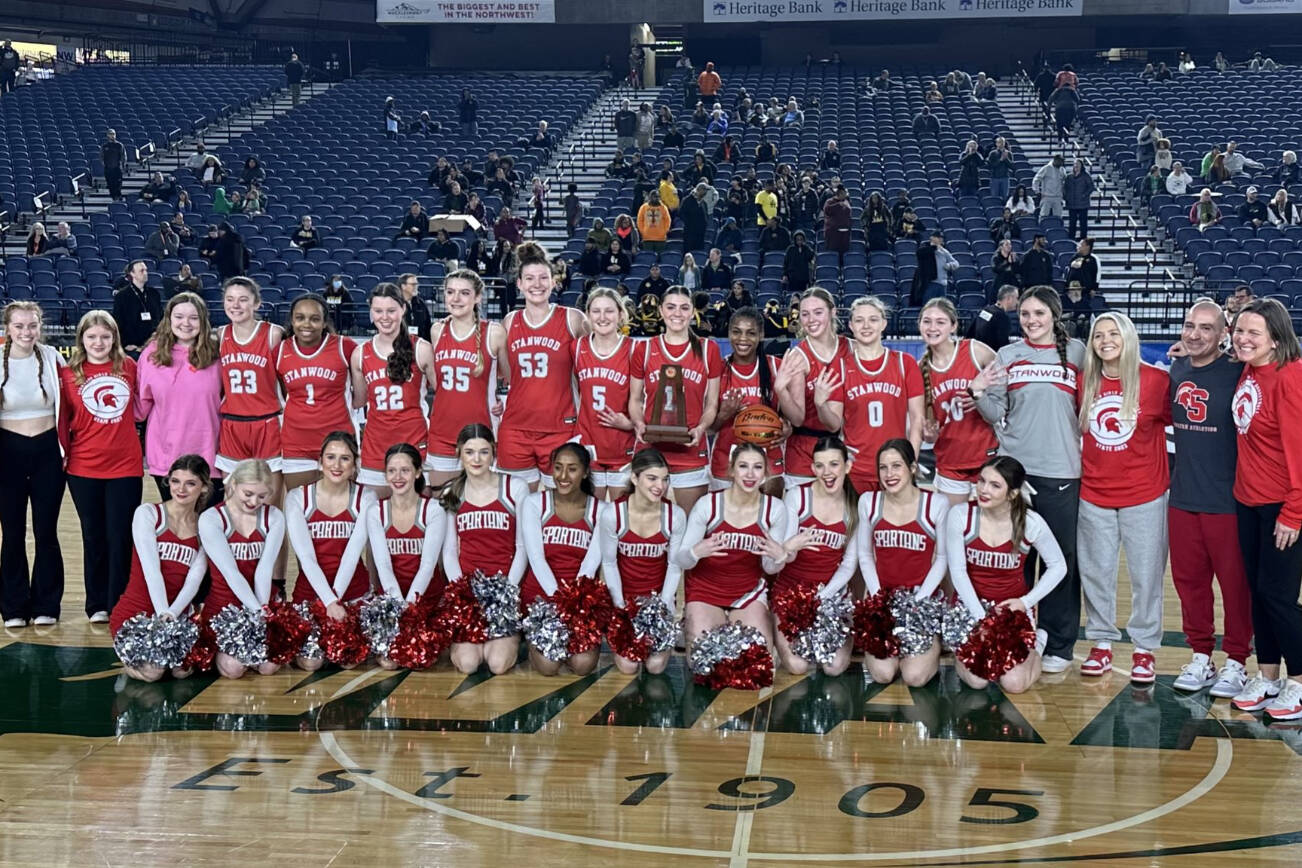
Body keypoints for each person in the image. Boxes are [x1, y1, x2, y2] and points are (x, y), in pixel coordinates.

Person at [970, 286, 1086, 673]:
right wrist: (978, 391)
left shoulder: (1077, 353)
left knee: (1062, 560)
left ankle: (1060, 642)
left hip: (1062, 471)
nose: (1031, 321)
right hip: (1015, 472)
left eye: (1039, 314)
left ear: (1055, 315)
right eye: (1025, 315)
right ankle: (1019, 630)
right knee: (1017, 559)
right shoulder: (1008, 355)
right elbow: (993, 412)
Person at [1073, 312, 1172, 683]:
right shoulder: (1084, 381)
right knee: (1096, 574)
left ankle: (1144, 649)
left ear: (1128, 337)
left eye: (1113, 333)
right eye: (1098, 335)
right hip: (1094, 494)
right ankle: (1100, 644)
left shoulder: (1157, 381)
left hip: (1145, 494)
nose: (1105, 341)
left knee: (1147, 576)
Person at [1168, 299, 1252, 697]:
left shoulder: (1239, 374)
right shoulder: (1177, 367)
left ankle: (1237, 660)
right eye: (1190, 326)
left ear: (1224, 335)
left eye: (1206, 328)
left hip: (1228, 501)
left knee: (1235, 586)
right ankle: (1201, 655)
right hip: (1183, 497)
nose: (1195, 334)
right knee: (1189, 584)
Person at [1222, 299, 1302, 718]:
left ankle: (1300, 683)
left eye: (1254, 332)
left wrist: (1294, 511)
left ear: (1276, 338)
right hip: (1247, 500)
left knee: (1279, 596)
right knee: (1260, 594)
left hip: (1281, 505)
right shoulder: (1250, 369)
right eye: (1239, 330)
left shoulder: (1291, 377)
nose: (1243, 338)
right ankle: (1268, 676)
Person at [946, 457, 1065, 693]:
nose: (983, 490)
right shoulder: (961, 516)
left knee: (1015, 684)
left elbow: (1058, 566)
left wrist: (1025, 602)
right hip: (972, 608)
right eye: (981, 481)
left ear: (1012, 494)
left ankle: (1037, 644)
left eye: (994, 485)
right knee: (978, 681)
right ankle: (960, 652)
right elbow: (958, 573)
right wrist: (983, 619)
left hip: (1012, 611)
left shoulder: (1030, 522)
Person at [61, 311, 144, 622]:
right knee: (93, 535)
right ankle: (96, 604)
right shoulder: (68, 373)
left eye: (105, 337)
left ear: (114, 339)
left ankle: (119, 601)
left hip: (125, 466)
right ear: (82, 338)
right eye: (92, 336)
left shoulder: (130, 367)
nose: (99, 343)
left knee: (121, 535)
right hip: (83, 468)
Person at [676, 442, 787, 651]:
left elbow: (770, 568)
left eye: (757, 467)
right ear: (732, 470)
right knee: (703, 661)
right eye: (743, 466)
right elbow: (682, 559)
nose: (750, 474)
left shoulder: (775, 509)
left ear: (765, 473)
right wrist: (695, 552)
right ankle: (692, 619)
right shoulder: (709, 504)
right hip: (705, 590)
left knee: (757, 662)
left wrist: (779, 557)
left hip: (749, 592)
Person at [495, 243, 589, 488]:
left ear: (554, 281)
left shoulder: (573, 319)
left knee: (560, 508)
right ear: (519, 284)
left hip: (561, 427)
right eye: (529, 279)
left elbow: (593, 367)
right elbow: (501, 371)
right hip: (516, 428)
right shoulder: (509, 321)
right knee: (515, 505)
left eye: (543, 278)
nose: (537, 284)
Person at [109, 455, 211, 680]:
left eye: (190, 483)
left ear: (204, 488)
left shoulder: (206, 525)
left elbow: (194, 579)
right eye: (175, 481)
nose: (181, 489)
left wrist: (172, 615)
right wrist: (162, 617)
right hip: (139, 613)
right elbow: (151, 570)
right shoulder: (148, 514)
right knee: (153, 672)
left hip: (177, 614)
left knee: (182, 672)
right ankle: (128, 662)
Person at [858, 439, 949, 685]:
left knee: (915, 677)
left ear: (912, 468)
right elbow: (865, 555)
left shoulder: (936, 504)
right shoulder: (869, 501)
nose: (889, 474)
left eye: (896, 466)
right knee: (883, 674)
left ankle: (934, 640)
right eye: (883, 467)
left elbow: (941, 559)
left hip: (921, 600)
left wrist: (919, 601)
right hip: (883, 599)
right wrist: (877, 598)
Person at [440, 424, 529, 674]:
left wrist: (507, 593)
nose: (476, 459)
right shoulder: (452, 491)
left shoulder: (514, 488)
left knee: (497, 664)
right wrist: (463, 594)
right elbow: (449, 551)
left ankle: (512, 638)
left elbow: (522, 547)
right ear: (459, 453)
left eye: (483, 452)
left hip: (504, 590)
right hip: (469, 591)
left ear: (494, 453)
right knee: (468, 664)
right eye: (469, 452)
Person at [0, 302, 66, 628]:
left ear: (40, 326)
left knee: (46, 532)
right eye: (19, 326)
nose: (26, 332)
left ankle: (46, 605)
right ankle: (13, 606)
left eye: (32, 325)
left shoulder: (54, 359)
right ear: (8, 328)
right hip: (7, 454)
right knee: (11, 533)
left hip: (47, 453)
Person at [629, 286, 722, 514]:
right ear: (661, 311)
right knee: (648, 532)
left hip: (691, 450)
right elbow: (635, 400)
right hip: (651, 449)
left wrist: (701, 428)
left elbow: (711, 405)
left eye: (684, 308)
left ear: (692, 312)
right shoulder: (645, 348)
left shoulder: (708, 349)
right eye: (670, 307)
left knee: (688, 531)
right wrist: (639, 423)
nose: (677, 314)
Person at [284, 433, 372, 668]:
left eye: (345, 458)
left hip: (352, 594)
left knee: (349, 661)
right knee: (310, 663)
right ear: (320, 462)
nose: (337, 465)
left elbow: (353, 554)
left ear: (355, 465)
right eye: (331, 457)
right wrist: (329, 601)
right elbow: (306, 558)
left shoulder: (366, 497)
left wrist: (337, 604)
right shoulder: (297, 497)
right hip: (311, 594)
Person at [772, 437, 858, 676]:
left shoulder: (854, 506)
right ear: (812, 469)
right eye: (819, 466)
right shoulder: (797, 497)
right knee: (798, 666)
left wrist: (825, 596)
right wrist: (790, 546)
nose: (827, 472)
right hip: (791, 592)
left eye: (834, 464)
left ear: (847, 466)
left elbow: (849, 564)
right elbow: (783, 556)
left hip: (831, 594)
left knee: (834, 667)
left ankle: (849, 629)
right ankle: (774, 619)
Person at [821, 297, 924, 494]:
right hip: (856, 468)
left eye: (873, 319)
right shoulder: (840, 367)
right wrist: (820, 404)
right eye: (859, 320)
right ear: (851, 325)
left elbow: (917, 420)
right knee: (857, 525)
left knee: (894, 525)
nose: (866, 326)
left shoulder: (905, 363)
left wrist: (911, 462)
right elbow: (833, 424)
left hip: (895, 468)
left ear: (884, 323)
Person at [518, 443, 604, 676]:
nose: (563, 476)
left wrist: (573, 606)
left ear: (585, 472)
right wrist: (559, 604)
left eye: (572, 469)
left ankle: (563, 643)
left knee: (583, 666)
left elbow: (590, 564)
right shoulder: (535, 504)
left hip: (580, 601)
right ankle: (530, 640)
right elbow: (536, 559)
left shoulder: (601, 510)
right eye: (558, 468)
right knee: (548, 667)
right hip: (542, 598)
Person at [197, 458, 286, 679]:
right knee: (234, 669)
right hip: (225, 606)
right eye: (248, 493)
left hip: (261, 600)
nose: (254, 501)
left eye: (262, 496)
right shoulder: (211, 518)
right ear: (233, 484)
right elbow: (231, 573)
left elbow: (264, 570)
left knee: (269, 667)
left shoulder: (274, 517)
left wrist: (263, 612)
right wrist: (255, 611)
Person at [599, 448, 684, 675]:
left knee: (655, 667)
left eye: (665, 479)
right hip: (624, 601)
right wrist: (620, 607)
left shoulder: (674, 515)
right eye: (652, 478)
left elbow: (674, 566)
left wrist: (663, 606)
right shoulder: (613, 514)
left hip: (658, 601)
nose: (660, 486)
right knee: (628, 666)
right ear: (635, 478)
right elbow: (608, 564)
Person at [364, 443, 447, 670]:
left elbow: (428, 565)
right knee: (389, 663)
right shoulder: (376, 511)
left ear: (418, 472)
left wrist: (411, 609)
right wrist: (399, 608)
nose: (398, 477)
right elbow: (382, 564)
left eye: (405, 470)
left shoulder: (433, 510)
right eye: (391, 471)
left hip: (425, 600)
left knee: (420, 660)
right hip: (391, 602)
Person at [136, 292, 223, 500]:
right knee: (177, 526)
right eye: (179, 316)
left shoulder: (217, 353)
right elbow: (139, 408)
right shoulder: (151, 354)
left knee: (208, 527)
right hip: (166, 457)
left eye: (193, 318)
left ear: (203, 321)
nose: (186, 323)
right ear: (169, 319)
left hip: (212, 457)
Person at [349, 284, 437, 490]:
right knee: (374, 515)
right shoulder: (360, 354)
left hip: (414, 441)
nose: (385, 317)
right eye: (378, 311)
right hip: (375, 444)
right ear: (371, 312)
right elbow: (359, 401)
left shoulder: (422, 349)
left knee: (415, 513)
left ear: (403, 309)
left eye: (391, 311)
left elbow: (444, 396)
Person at [425, 270, 505, 489]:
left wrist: (502, 404)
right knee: (441, 505)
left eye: (464, 293)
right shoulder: (437, 330)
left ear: (478, 297)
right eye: (450, 292)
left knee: (478, 506)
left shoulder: (494, 333)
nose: (456, 299)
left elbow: (512, 378)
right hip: (441, 432)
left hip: (481, 433)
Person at [918, 299, 999, 503]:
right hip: (950, 461)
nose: (932, 328)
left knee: (989, 529)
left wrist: (983, 397)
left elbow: (1007, 388)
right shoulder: (921, 368)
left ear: (954, 326)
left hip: (987, 456)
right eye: (927, 322)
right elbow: (930, 430)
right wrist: (928, 434)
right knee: (953, 528)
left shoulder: (974, 350)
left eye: (940, 322)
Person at [776, 287, 849, 485]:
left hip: (846, 448)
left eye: (818, 312)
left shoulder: (851, 348)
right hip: (804, 451)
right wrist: (781, 390)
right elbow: (798, 419)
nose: (811, 320)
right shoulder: (798, 356)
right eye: (805, 314)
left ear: (833, 312)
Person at [710, 307, 786, 494]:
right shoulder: (718, 369)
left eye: (751, 333)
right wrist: (724, 415)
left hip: (769, 458)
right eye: (736, 332)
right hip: (726, 459)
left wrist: (788, 427)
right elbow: (709, 428)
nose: (742, 338)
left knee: (767, 517)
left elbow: (790, 415)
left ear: (761, 335)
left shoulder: (776, 367)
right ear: (729, 334)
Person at [572, 289, 635, 499]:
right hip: (589, 443)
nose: (602, 317)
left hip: (623, 444)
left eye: (609, 311)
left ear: (620, 314)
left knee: (622, 518)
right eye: (596, 311)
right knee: (591, 519)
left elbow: (650, 399)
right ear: (588, 315)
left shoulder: (634, 350)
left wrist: (631, 424)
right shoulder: (577, 347)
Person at [911, 232, 959, 304]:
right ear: (932, 238)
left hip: (942, 284)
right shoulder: (925, 247)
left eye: (941, 238)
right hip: (930, 283)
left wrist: (948, 266)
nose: (940, 240)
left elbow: (956, 263)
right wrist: (934, 247)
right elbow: (919, 253)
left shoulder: (944, 251)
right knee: (929, 305)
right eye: (938, 237)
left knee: (941, 307)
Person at [966, 284, 1018, 351]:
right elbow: (1003, 347)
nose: (1017, 302)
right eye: (1016, 298)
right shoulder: (1002, 317)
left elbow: (970, 334)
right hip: (991, 357)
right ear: (1009, 298)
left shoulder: (985, 310)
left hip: (976, 353)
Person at [1064, 159, 1095, 240]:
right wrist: (1066, 197)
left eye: (1078, 164)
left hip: (1083, 203)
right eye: (1075, 164)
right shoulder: (1069, 176)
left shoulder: (1086, 176)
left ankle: (1083, 238)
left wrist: (1084, 194)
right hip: (1072, 203)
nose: (1076, 166)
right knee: (1072, 222)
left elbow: (1091, 187)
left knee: (1083, 223)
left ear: (1081, 166)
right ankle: (1071, 237)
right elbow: (1065, 188)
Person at [636, 192, 671, 257]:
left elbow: (668, 221)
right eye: (654, 197)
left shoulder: (663, 207)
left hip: (660, 239)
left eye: (657, 197)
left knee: (660, 258)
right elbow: (639, 221)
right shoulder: (644, 207)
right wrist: (643, 232)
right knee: (649, 257)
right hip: (647, 238)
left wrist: (664, 232)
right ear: (650, 197)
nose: (656, 198)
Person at [823, 187, 853, 262]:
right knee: (833, 252)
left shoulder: (847, 202)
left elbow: (849, 214)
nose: (845, 195)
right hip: (833, 233)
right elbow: (827, 211)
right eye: (843, 194)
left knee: (844, 253)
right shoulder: (829, 202)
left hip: (845, 232)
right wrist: (838, 205)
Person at [101, 129, 127, 201]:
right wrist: (104, 164)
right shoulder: (104, 146)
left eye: (113, 134)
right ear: (107, 135)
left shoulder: (119, 145)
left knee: (118, 183)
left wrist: (123, 165)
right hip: (108, 168)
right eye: (110, 134)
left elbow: (123, 156)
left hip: (117, 168)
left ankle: (118, 197)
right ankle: (113, 197)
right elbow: (101, 157)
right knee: (110, 184)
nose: (112, 135)